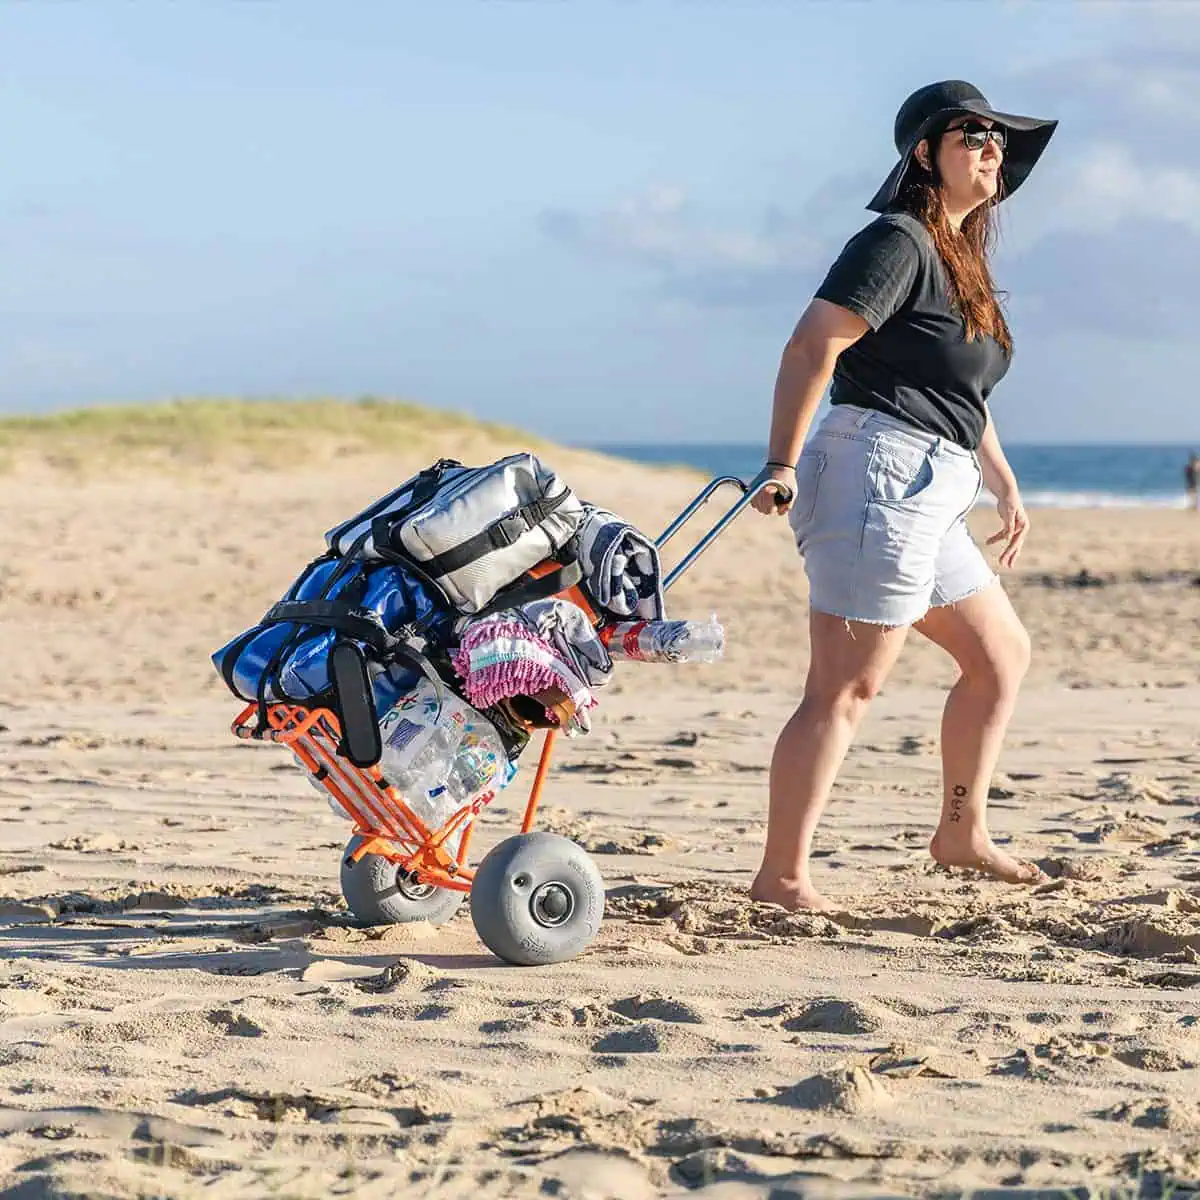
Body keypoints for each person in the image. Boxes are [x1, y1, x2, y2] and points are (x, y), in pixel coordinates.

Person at [749, 80, 1057, 911]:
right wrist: (779, 464)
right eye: (970, 134)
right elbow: (815, 341)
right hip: (875, 474)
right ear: (924, 153)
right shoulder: (898, 241)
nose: (991, 145)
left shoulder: (959, 259)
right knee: (846, 687)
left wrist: (1000, 477)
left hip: (932, 482)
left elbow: (957, 389)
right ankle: (781, 878)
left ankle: (961, 832)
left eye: (997, 135)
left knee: (1000, 657)